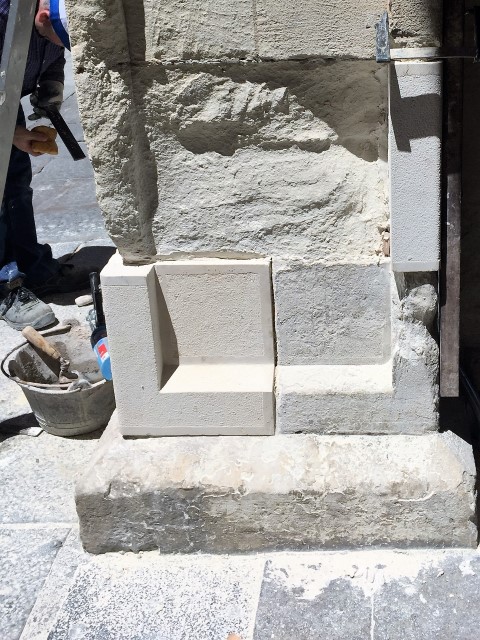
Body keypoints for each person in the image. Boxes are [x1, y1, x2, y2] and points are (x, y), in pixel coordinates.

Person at [0, 0, 94, 331]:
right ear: (41, 18)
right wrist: (11, 132)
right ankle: (6, 287)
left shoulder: (52, 11)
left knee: (15, 186)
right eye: (55, 37)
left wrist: (51, 86)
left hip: (6, 95)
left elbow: (54, 52)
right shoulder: (5, 18)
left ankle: (34, 269)